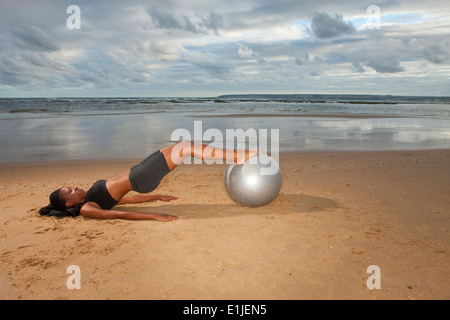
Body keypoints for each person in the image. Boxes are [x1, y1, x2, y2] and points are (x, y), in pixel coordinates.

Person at [39, 141, 258, 221]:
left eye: (69, 186)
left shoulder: (90, 198)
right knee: (186, 148)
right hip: (141, 177)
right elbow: (117, 214)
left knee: (180, 145)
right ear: (69, 203)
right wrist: (154, 215)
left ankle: (236, 155)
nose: (73, 187)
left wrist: (156, 197)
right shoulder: (87, 208)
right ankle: (236, 156)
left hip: (140, 171)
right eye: (69, 191)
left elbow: (126, 202)